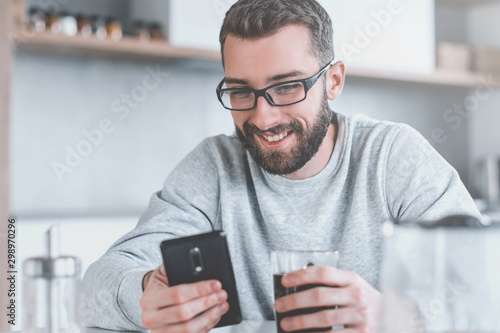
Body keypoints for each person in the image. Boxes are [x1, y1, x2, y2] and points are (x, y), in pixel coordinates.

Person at [81, 0, 481, 332]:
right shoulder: (214, 167)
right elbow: (96, 287)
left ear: (334, 81)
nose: (264, 118)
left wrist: (394, 316)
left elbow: (481, 291)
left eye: (287, 87)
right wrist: (146, 293)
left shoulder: (394, 157)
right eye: (241, 91)